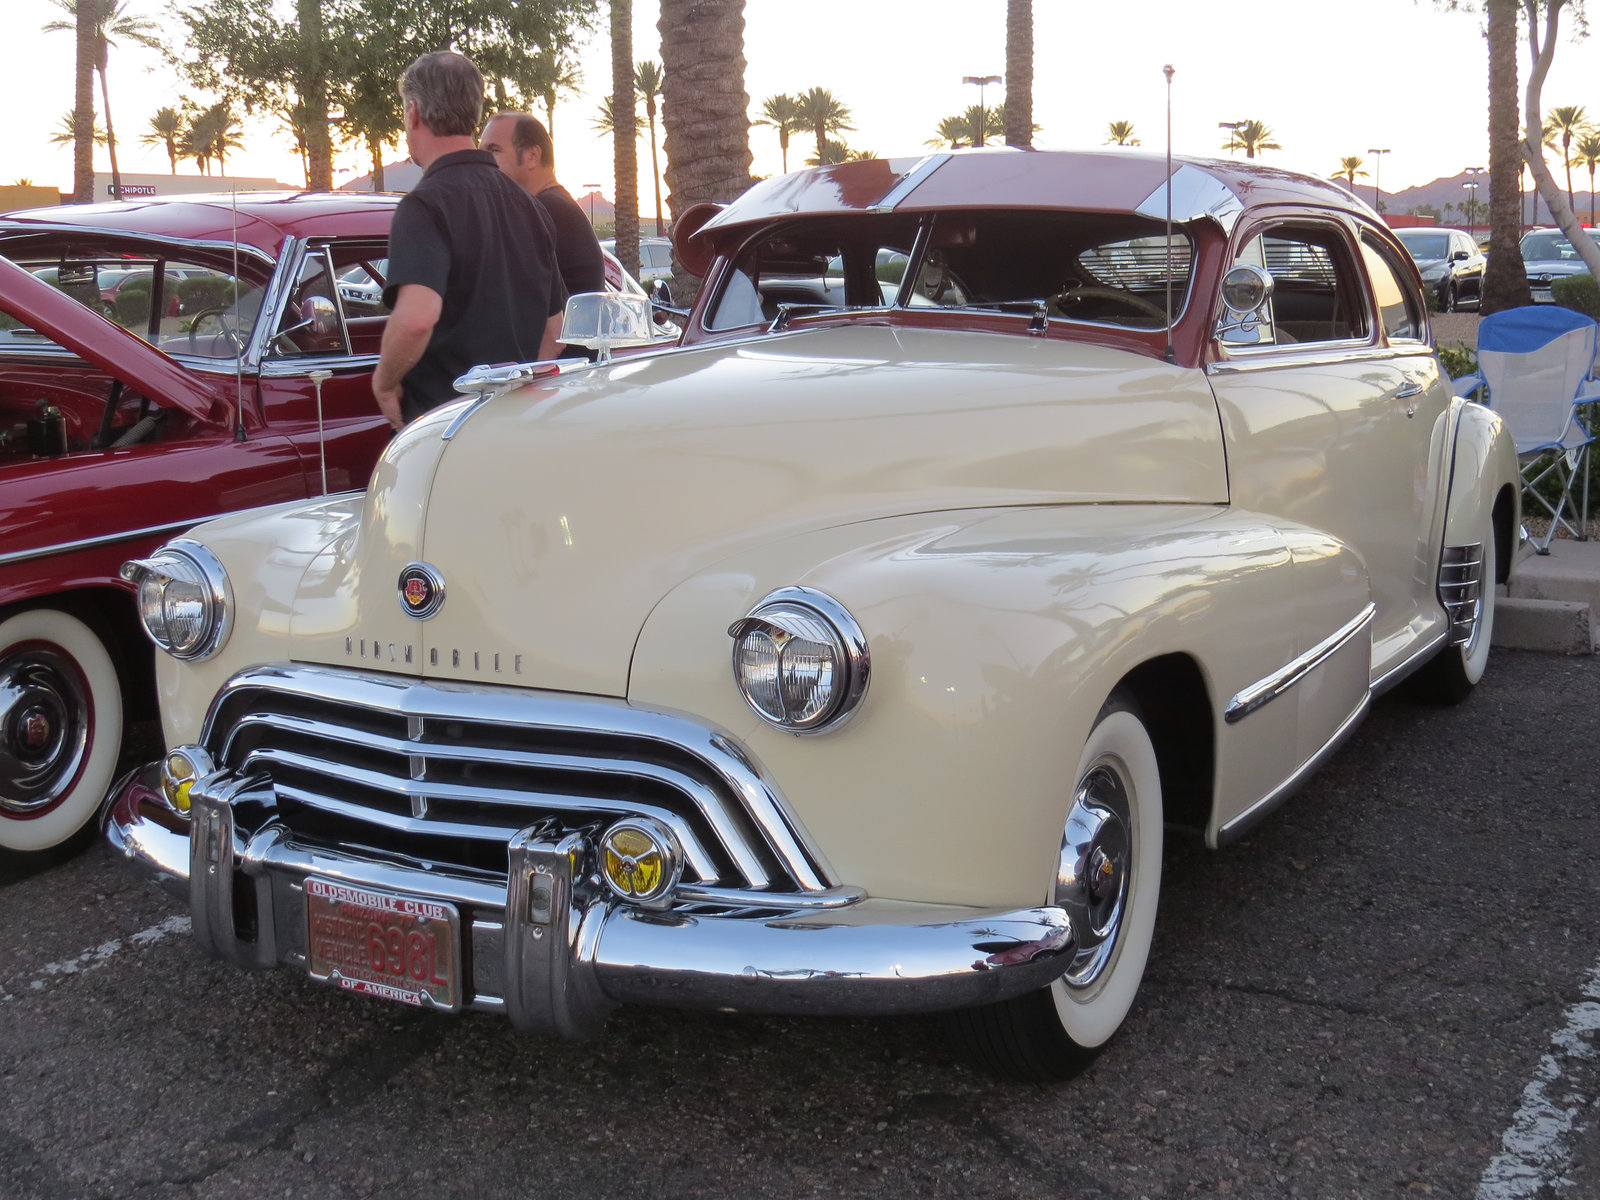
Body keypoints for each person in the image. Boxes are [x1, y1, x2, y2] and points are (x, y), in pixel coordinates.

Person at [372, 52, 566, 428]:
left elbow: (416, 319)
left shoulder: (423, 206)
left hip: (444, 428)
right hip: (514, 427)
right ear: (474, 112)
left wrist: (384, 384)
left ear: (413, 114)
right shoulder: (531, 206)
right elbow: (555, 330)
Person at [479, 111, 607, 300]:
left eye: (494, 150)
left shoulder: (542, 210)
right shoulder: (556, 205)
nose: (482, 160)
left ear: (532, 156)